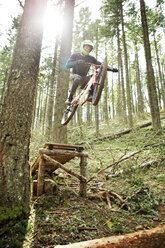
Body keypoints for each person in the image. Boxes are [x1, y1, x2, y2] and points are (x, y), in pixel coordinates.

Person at [65, 40, 118, 105]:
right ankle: (70, 98)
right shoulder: (75, 55)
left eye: (89, 49)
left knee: (94, 76)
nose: (87, 49)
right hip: (74, 75)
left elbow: (100, 65)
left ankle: (91, 95)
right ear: (83, 47)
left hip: (84, 78)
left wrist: (111, 69)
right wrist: (77, 62)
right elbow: (67, 65)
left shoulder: (91, 58)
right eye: (86, 48)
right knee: (77, 78)